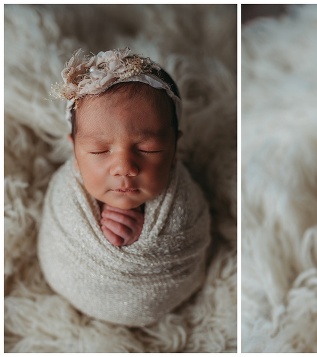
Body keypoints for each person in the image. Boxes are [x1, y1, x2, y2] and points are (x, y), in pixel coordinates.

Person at [37, 48, 211, 326]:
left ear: (175, 148)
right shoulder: (65, 193)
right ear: (74, 151)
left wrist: (146, 230)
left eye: (148, 148)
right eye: (98, 151)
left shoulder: (183, 202)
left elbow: (190, 234)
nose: (124, 167)